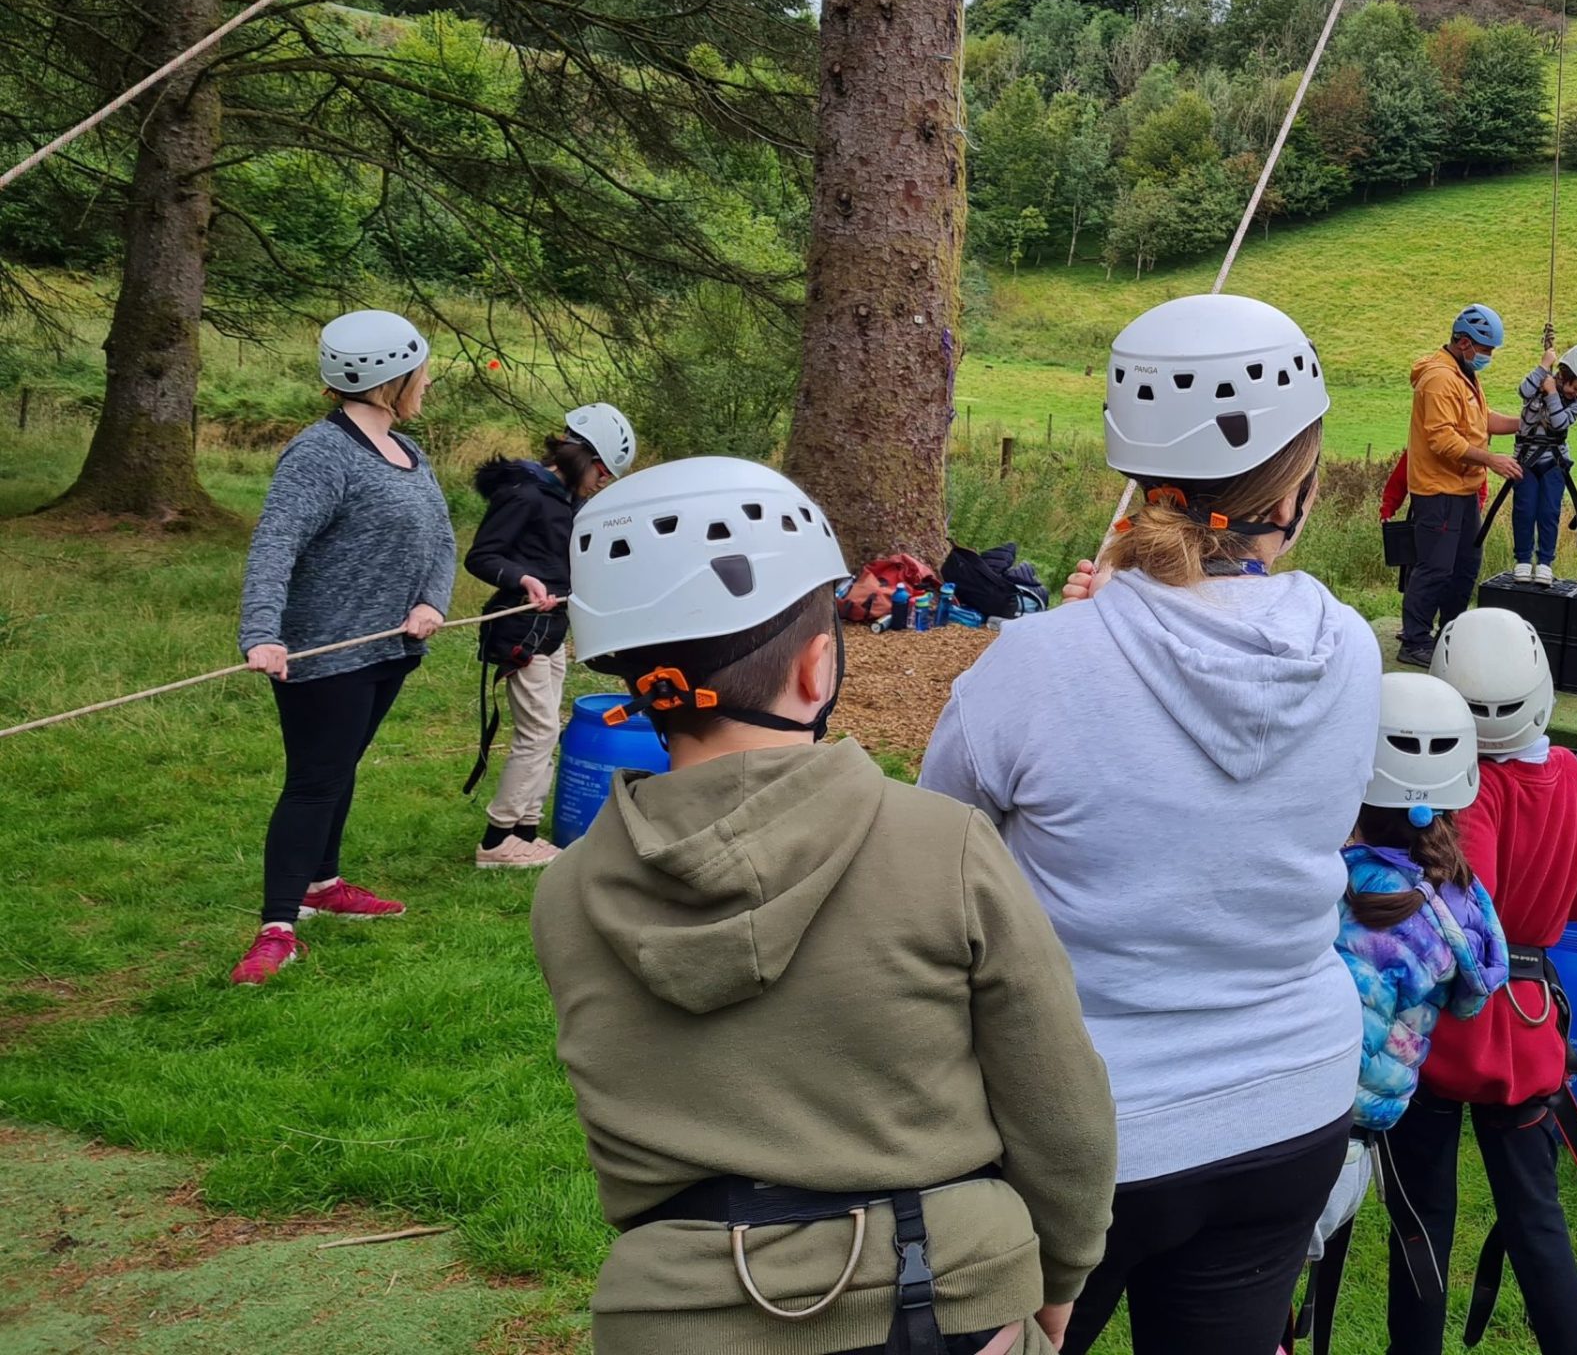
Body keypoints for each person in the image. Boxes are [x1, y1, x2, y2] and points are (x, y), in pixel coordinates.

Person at [531, 457, 1113, 1354]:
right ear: (817, 668)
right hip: (943, 1296)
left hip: (672, 1317)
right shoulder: (944, 844)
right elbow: (1060, 1107)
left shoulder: (568, 891)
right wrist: (1058, 1274)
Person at [922, 294, 1376, 1355]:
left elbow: (939, 859)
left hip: (1082, 1125)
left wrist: (1089, 626)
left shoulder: (1041, 662)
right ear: (1298, 487)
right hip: (1294, 1102)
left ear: (1135, 473)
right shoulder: (1352, 649)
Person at [1385, 609, 1577, 1355]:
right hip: (1529, 1020)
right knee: (1536, 1219)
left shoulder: (1468, 794)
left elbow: (1460, 916)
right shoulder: (1572, 778)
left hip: (1449, 1024)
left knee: (1421, 1215)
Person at [232, 311, 457, 986]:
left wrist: (430, 602)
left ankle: (321, 883)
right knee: (314, 782)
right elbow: (275, 545)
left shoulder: (410, 454)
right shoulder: (319, 454)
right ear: (393, 378)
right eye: (421, 371)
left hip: (388, 647)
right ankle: (277, 927)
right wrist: (263, 633)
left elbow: (441, 540)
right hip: (325, 654)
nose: (427, 382)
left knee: (342, 765)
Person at [1300, 673, 1509, 1352]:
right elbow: (1469, 998)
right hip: (1366, 1134)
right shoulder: (1452, 905)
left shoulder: (1327, 885)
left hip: (1298, 1124)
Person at [462, 403, 636, 869]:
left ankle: (525, 830)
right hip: (520, 629)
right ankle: (497, 840)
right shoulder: (526, 495)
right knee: (537, 733)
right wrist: (524, 580)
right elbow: (482, 556)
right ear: (585, 458)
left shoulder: (567, 501)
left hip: (551, 631)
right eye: (602, 470)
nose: (604, 480)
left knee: (547, 730)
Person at [1398, 305, 1522, 667]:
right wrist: (1491, 460)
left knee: (1466, 565)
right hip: (1437, 491)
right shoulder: (1439, 380)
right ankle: (1415, 640)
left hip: (1464, 490)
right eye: (1486, 350)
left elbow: (1482, 420)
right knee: (1435, 567)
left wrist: (1525, 424)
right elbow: (1441, 440)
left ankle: (1449, 632)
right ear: (1465, 342)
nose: (1488, 357)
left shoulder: (1464, 374)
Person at [1512, 342, 1577, 586]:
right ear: (1564, 375)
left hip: (1554, 462)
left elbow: (1560, 423)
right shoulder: (1539, 384)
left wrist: (1552, 393)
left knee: (1549, 512)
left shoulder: (1575, 403)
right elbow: (1523, 390)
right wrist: (1543, 367)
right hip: (1526, 461)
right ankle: (1522, 559)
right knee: (1524, 510)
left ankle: (1544, 563)